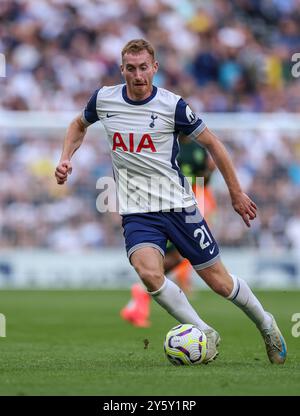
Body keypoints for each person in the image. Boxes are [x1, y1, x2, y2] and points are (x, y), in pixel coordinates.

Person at [55, 39, 287, 364]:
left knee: (219, 282)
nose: (138, 75)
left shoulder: (172, 106)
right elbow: (78, 124)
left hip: (180, 208)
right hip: (138, 212)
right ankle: (203, 331)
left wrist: (236, 192)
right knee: (149, 273)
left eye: (143, 67)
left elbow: (214, 145)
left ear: (155, 68)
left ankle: (266, 324)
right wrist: (66, 158)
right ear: (122, 70)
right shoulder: (104, 99)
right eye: (131, 69)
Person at [120, 139, 217, 327]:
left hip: (186, 207)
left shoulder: (199, 150)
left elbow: (203, 180)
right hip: (165, 208)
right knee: (172, 256)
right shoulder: (165, 141)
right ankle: (140, 294)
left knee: (176, 257)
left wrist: (209, 170)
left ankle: (138, 299)